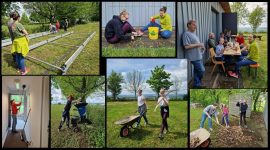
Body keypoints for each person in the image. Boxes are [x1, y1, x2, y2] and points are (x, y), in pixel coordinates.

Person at [182, 20, 205, 88]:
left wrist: (201, 47)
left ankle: (196, 85)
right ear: (189, 25)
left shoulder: (193, 34)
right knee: (202, 70)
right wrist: (198, 44)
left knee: (196, 71)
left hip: (198, 55)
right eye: (194, 25)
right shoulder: (186, 34)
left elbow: (196, 44)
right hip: (193, 57)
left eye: (195, 25)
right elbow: (186, 46)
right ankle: (198, 82)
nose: (195, 26)